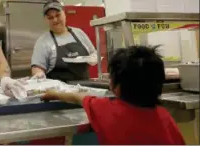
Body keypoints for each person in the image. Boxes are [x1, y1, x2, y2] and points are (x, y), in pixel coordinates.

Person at [41, 45, 185, 145]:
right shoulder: (165, 117)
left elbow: (78, 97)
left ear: (117, 87)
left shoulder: (106, 109)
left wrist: (53, 94)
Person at [31, 1, 98, 82]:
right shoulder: (42, 41)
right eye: (50, 18)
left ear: (64, 14)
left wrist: (94, 58)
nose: (55, 20)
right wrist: (39, 74)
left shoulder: (79, 33)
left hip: (84, 87)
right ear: (46, 20)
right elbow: (37, 67)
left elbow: (93, 53)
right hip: (59, 92)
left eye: (58, 15)